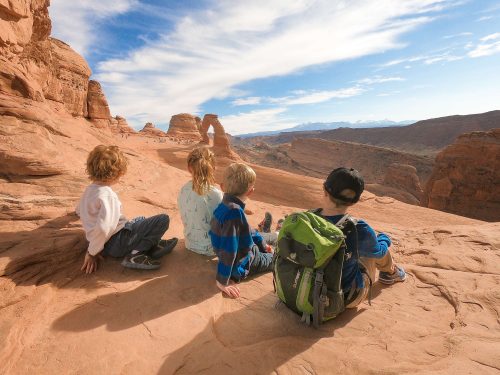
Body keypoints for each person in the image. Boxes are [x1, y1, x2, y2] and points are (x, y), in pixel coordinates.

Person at [76, 145, 176, 274]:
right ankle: (136, 254)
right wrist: (91, 252)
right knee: (162, 219)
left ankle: (152, 245)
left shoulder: (89, 190)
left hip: (107, 243)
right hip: (117, 242)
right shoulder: (107, 195)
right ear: (116, 173)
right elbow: (104, 228)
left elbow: (79, 210)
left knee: (140, 219)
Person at [320, 167, 406, 307]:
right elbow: (379, 252)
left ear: (324, 190)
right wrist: (384, 239)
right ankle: (392, 273)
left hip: (299, 290)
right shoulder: (357, 228)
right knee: (375, 249)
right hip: (343, 298)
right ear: (355, 201)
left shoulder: (307, 219)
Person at [209, 163, 274, 298]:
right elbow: (229, 250)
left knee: (262, 237)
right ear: (250, 191)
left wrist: (263, 246)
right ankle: (278, 237)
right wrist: (222, 281)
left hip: (245, 248)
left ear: (222, 187)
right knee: (276, 258)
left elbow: (248, 230)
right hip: (245, 261)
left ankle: (271, 235)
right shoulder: (235, 212)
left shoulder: (224, 205)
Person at [178, 147, 223, 256]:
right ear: (213, 168)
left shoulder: (183, 189)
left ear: (189, 168)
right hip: (211, 248)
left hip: (190, 244)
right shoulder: (216, 194)